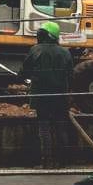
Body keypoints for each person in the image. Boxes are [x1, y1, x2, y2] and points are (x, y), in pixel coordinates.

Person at [23, 21, 74, 167]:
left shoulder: (35, 50)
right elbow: (71, 76)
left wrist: (23, 78)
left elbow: (25, 71)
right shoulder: (65, 52)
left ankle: (46, 161)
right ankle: (63, 161)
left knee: (44, 128)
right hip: (60, 97)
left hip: (41, 96)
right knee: (60, 127)